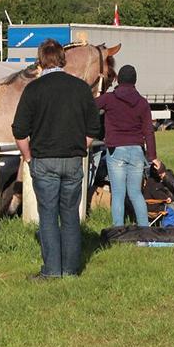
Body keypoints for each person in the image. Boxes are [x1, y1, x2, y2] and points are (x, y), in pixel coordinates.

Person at [12, 39, 102, 280]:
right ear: (63, 59)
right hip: (72, 159)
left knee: (49, 216)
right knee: (71, 215)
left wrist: (28, 157)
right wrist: (78, 147)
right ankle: (72, 270)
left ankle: (52, 270)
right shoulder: (81, 88)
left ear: (41, 61)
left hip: (44, 160)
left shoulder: (33, 89)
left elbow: (19, 130)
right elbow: (94, 127)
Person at [95, 64, 157, 228]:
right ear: (135, 81)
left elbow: (90, 106)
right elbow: (149, 131)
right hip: (137, 150)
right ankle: (144, 228)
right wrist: (152, 156)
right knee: (136, 193)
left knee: (118, 194)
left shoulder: (109, 98)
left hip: (116, 150)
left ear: (118, 80)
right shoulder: (143, 103)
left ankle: (118, 230)